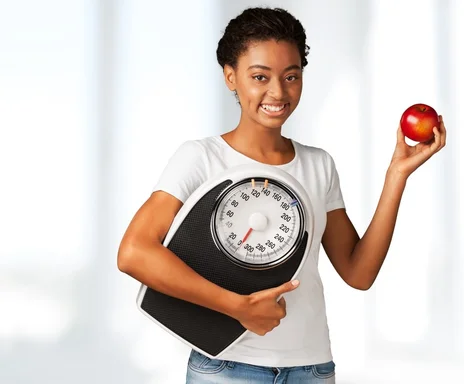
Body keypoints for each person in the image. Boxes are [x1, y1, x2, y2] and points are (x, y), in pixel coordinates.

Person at [117, 6, 446, 384]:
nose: (278, 92)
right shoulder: (201, 158)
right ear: (230, 77)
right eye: (260, 76)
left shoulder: (318, 164)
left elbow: (358, 273)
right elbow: (134, 252)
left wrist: (396, 176)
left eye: (291, 76)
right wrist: (237, 307)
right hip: (225, 369)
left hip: (312, 368)